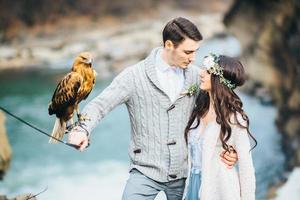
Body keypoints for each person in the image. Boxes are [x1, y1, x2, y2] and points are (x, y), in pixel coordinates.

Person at [68, 17, 238, 200]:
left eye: (195, 51)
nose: (193, 58)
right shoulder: (133, 76)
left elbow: (224, 112)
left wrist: (230, 149)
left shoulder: (198, 77)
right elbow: (100, 105)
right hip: (144, 172)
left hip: (186, 173)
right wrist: (82, 129)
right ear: (169, 45)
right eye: (188, 52)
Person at [183, 53, 256, 200]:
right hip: (191, 185)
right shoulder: (198, 107)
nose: (201, 73)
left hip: (220, 189)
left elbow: (246, 168)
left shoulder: (235, 118)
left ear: (219, 80)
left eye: (208, 71)